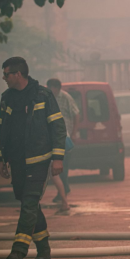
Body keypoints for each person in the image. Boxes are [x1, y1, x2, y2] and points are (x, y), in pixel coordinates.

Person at [0, 57, 66, 259]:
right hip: (17, 161)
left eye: (6, 74)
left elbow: (58, 127)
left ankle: (18, 251)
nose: (4, 78)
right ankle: (44, 249)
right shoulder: (6, 98)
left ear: (18, 74)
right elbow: (2, 130)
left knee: (28, 202)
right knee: (30, 206)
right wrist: (1, 157)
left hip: (39, 160)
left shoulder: (42, 95)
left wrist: (58, 158)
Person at [46, 78, 78, 212]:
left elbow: (76, 114)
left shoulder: (66, 98)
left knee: (61, 169)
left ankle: (64, 196)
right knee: (57, 171)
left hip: (64, 138)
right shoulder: (47, 98)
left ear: (58, 88)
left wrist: (74, 133)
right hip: (54, 138)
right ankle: (63, 194)